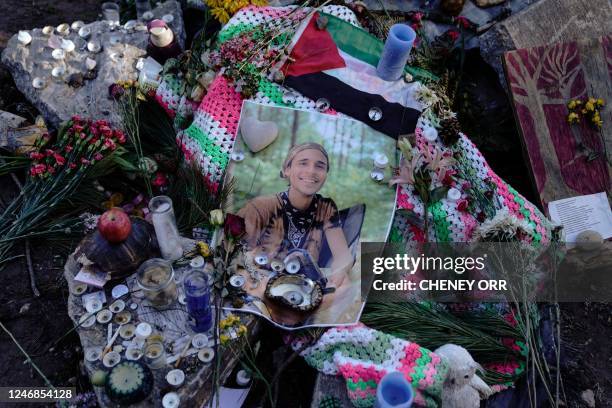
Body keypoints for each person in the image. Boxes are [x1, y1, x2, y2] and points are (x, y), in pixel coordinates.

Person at [237, 142, 354, 288]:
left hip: (304, 285)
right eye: (303, 163)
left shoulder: (325, 208)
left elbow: (343, 255)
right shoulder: (262, 206)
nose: (311, 171)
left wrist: (339, 271)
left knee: (345, 285)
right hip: (261, 282)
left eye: (319, 166)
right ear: (287, 170)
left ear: (325, 174)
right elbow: (235, 254)